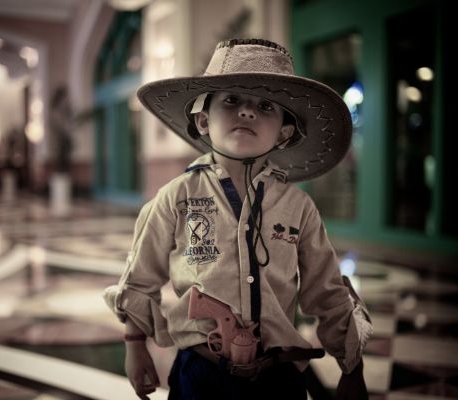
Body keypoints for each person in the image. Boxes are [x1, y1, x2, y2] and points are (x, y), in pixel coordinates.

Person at [104, 38, 373, 400]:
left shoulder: (298, 207)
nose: (247, 112)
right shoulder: (175, 198)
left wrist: (351, 368)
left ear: (284, 133)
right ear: (202, 120)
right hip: (201, 373)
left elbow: (326, 292)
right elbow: (140, 279)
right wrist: (135, 347)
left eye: (265, 106)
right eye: (231, 100)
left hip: (278, 377)